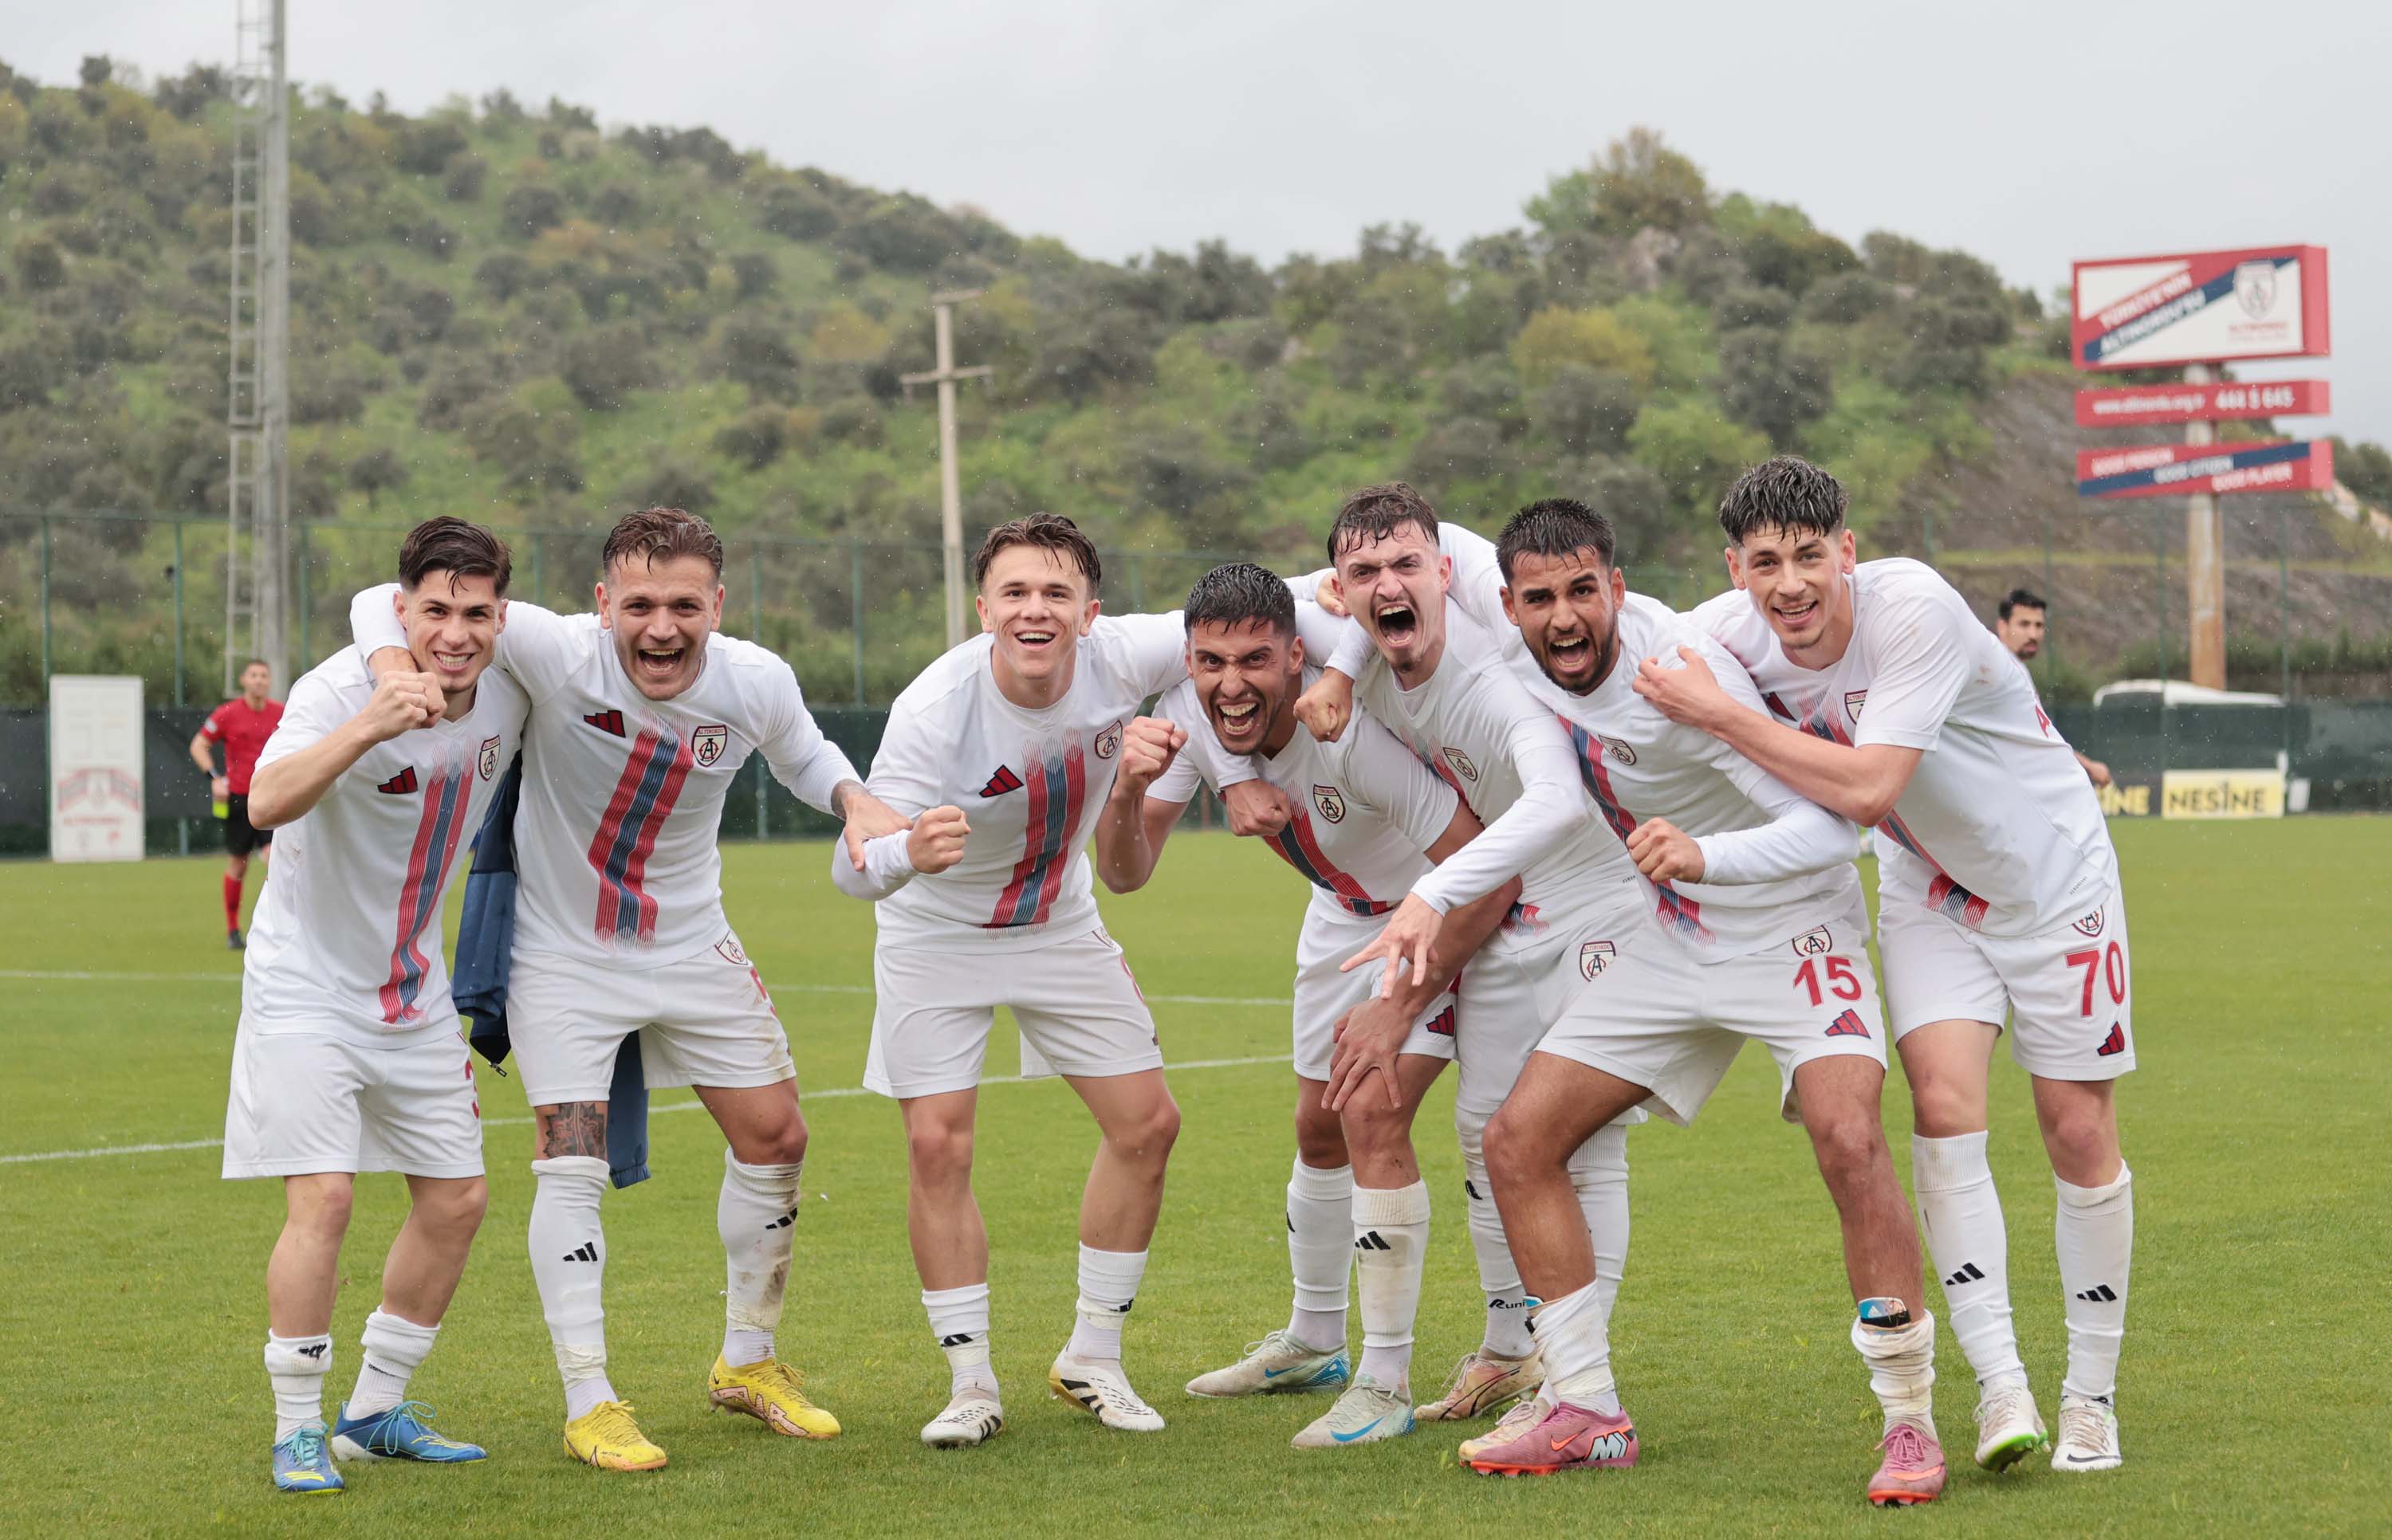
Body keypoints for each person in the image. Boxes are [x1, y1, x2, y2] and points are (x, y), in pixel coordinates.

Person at [1399, 502, 1942, 1504]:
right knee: (1517, 1141)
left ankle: (1910, 1421)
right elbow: (1408, 555)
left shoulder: (1681, 671)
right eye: (1539, 598)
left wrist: (1705, 856)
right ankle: (1587, 1409)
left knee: (1849, 1139)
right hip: (1675, 939)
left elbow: (1836, 832)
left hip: (1794, 931)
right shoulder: (1518, 658)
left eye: (1583, 591)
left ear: (1617, 586)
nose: (1564, 617)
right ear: (1507, 606)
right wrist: (1339, 669)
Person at [351, 506, 907, 1473]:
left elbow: (806, 756)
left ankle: (748, 1361)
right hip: (562, 954)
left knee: (778, 1137)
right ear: (603, 602)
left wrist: (856, 801)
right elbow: (379, 597)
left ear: (717, 606)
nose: (662, 627)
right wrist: (396, 668)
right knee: (572, 1161)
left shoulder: (754, 680)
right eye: (640, 604)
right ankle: (590, 1400)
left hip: (693, 944)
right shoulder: (555, 651)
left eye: (684, 606)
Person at [1644, 457, 2137, 1475]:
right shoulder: (1720, 633)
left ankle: (2092, 1399)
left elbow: (1869, 789)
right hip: (1930, 888)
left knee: (2078, 1129)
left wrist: (1726, 715)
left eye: (1810, 557)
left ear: (1849, 552)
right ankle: (2000, 1384)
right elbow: (1605, 648)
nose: (1790, 585)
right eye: (1766, 562)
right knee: (1944, 1109)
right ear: (1735, 568)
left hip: (2057, 882)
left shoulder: (1914, 608)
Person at [1090, 562, 1528, 1449]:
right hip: (1339, 914)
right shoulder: (1186, 717)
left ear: (1298, 657)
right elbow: (1124, 874)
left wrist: (1402, 1001)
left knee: (1373, 1110)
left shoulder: (1349, 728)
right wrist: (1130, 786)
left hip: (1443, 905)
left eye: (1256, 660)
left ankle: (1388, 1382)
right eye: (1212, 662)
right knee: (1319, 1127)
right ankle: (1315, 1340)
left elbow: (1484, 871)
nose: (1231, 683)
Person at [1290, 483, 1650, 1468]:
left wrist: (1430, 896)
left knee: (1576, 1146)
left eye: (1409, 566)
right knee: (1489, 1136)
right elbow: (1247, 608)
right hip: (1510, 909)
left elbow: (1558, 800)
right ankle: (1512, 1352)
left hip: (1599, 899)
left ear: (1449, 573)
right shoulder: (1358, 635)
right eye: (1364, 573)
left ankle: (1581, 1386)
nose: (1388, 585)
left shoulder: (1492, 672)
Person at [226, 517, 527, 1493]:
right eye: (434, 612)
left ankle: (371, 1412)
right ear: (402, 612)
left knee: (457, 1199)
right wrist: (371, 722)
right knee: (326, 1196)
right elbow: (263, 802)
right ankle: (296, 1427)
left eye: (475, 613)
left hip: (414, 988)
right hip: (304, 986)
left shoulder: (516, 682)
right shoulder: (336, 689)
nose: (455, 633)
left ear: (503, 617)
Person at [191, 658, 284, 948]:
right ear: (243, 680)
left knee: (276, 860)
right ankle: (233, 930)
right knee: (238, 864)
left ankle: (278, 929)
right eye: (253, 675)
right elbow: (198, 745)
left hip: (272, 797)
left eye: (264, 675)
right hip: (239, 799)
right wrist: (214, 778)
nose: (259, 680)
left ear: (269, 681)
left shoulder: (282, 713)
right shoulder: (228, 713)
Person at [1993, 589, 2110, 787]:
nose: (2033, 634)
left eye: (2039, 625)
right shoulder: (2002, 670)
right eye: (2024, 624)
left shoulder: (2015, 668)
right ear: (2002, 627)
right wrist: (2089, 767)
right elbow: (2037, 739)